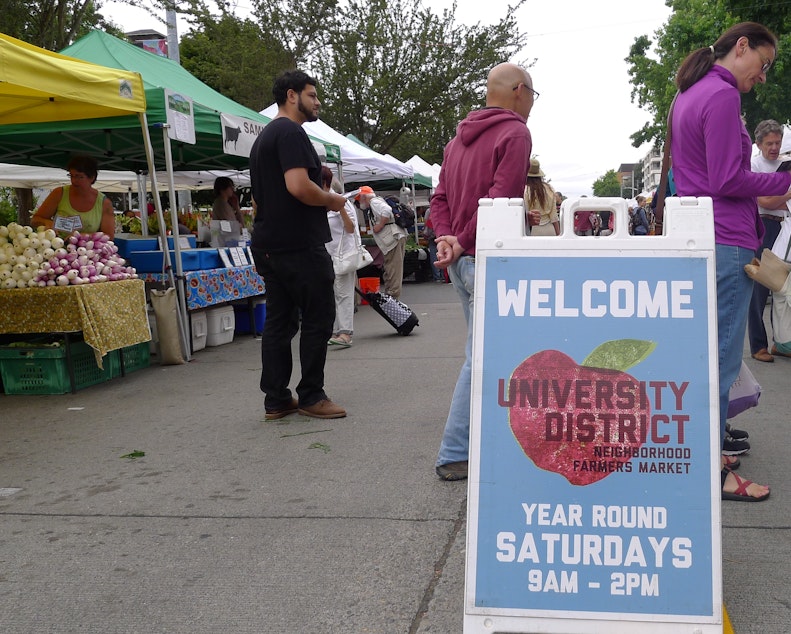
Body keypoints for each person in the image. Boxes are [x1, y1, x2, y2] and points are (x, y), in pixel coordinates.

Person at [670, 21, 791, 501]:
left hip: (708, 236)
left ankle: (708, 449)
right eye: (762, 66)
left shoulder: (691, 93)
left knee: (709, 356)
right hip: (728, 239)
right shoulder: (722, 96)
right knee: (719, 360)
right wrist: (781, 185)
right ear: (741, 47)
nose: (762, 77)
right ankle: (710, 467)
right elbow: (725, 178)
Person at [431, 62, 538, 481]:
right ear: (517, 90)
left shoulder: (457, 140)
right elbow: (501, 199)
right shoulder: (515, 132)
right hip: (487, 258)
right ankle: (454, 452)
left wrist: (447, 238)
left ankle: (483, 442)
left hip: (461, 261)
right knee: (481, 358)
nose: (532, 102)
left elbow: (439, 198)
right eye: (532, 93)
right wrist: (459, 240)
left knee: (487, 354)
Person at [249, 69, 347, 421]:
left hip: (270, 243)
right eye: (312, 95)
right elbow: (297, 186)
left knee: (280, 321)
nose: (317, 102)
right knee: (319, 317)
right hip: (298, 243)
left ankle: (276, 398)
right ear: (292, 96)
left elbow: (266, 196)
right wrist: (331, 199)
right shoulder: (291, 132)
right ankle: (311, 394)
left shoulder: (264, 137)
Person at [748, 119, 791, 363]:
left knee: (781, 289)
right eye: (770, 143)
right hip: (763, 226)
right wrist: (785, 195)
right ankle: (758, 345)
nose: (774, 147)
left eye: (777, 142)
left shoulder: (785, 164)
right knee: (760, 288)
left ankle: (781, 342)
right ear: (759, 144)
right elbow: (763, 201)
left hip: (784, 226)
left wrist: (778, 199)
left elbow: (775, 201)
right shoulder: (754, 164)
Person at [31, 155, 115, 238]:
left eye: (79, 177)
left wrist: (83, 237)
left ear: (92, 177)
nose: (74, 181)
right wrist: (47, 222)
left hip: (88, 250)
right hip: (57, 248)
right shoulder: (59, 193)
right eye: (72, 176)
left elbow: (109, 236)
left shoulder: (104, 203)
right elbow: (35, 220)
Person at [321, 166, 357, 347]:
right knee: (333, 294)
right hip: (328, 255)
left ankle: (345, 333)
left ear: (325, 183)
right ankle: (336, 331)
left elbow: (350, 228)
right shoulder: (321, 201)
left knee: (343, 294)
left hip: (342, 254)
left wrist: (340, 207)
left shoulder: (343, 201)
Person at [356, 185, 408, 299]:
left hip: (392, 238)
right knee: (391, 267)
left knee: (393, 268)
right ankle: (390, 294)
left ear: (364, 197)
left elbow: (387, 210)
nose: (359, 202)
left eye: (359, 198)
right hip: (393, 238)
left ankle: (393, 296)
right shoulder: (376, 202)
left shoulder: (375, 202)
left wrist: (379, 225)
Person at [524, 158, 559, 236]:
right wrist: (558, 234)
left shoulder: (525, 190)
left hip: (532, 230)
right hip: (550, 229)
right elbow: (554, 216)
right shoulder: (549, 188)